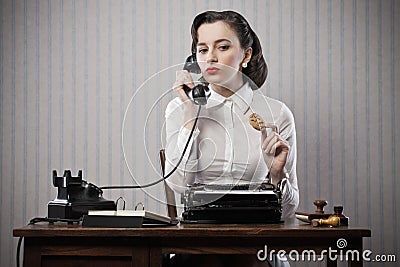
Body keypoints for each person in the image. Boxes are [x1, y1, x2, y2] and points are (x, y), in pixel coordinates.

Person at [164, 10, 299, 267]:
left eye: (222, 47)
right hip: (197, 246)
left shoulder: (277, 113)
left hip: (256, 245)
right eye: (202, 50)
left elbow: (290, 210)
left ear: (246, 55)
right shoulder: (179, 108)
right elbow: (180, 186)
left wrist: (277, 174)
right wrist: (191, 112)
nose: (211, 57)